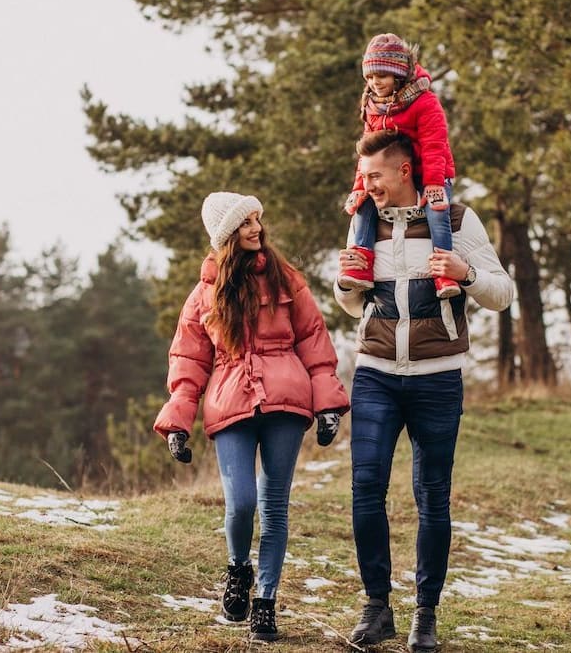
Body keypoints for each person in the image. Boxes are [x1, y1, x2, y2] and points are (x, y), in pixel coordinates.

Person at [334, 130, 513, 653]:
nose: (367, 186)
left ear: (406, 171)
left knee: (431, 496)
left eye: (375, 177)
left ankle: (425, 615)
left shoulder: (456, 222)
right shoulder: (363, 219)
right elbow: (352, 304)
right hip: (375, 374)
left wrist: (467, 272)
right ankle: (376, 607)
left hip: (438, 377)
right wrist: (346, 284)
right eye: (364, 177)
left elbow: (501, 293)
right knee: (366, 490)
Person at [154, 191, 350, 642]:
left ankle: (265, 600)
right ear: (226, 234)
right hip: (230, 401)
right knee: (241, 502)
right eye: (246, 223)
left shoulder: (287, 281)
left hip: (286, 400)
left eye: (258, 220)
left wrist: (328, 406)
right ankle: (239, 568)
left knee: (275, 505)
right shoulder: (205, 294)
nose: (256, 228)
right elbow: (188, 361)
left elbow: (314, 344)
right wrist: (178, 422)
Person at [339, 32, 460, 301]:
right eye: (369, 77)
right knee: (364, 205)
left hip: (432, 173)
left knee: (437, 212)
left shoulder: (425, 101)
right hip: (392, 177)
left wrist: (433, 184)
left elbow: (434, 146)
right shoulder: (372, 106)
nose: (374, 83)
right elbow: (367, 153)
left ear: (398, 74)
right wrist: (360, 187)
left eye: (381, 76)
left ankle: (444, 270)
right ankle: (362, 263)